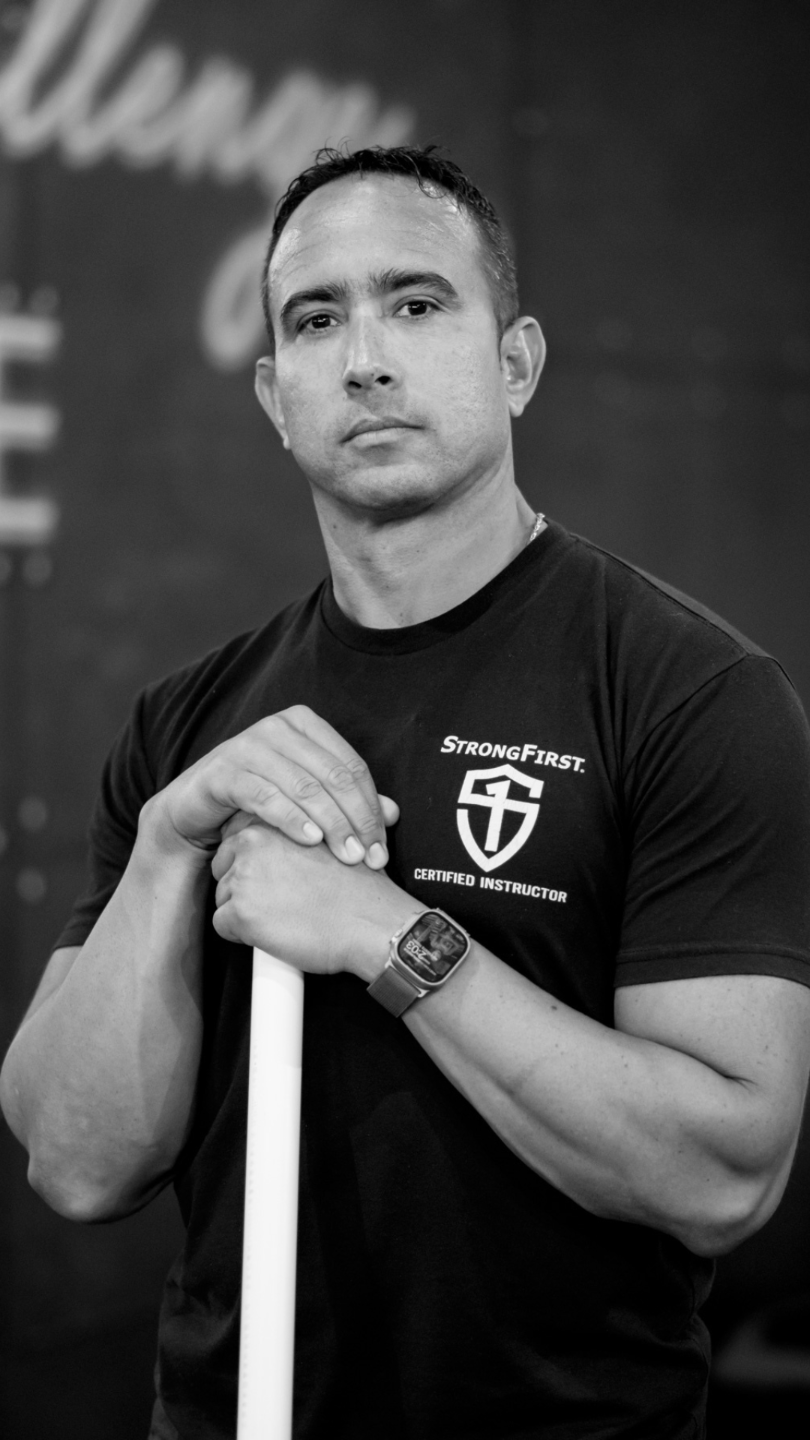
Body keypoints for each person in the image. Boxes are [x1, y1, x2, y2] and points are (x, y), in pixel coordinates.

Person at [2, 143, 810, 1440]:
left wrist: (390, 938)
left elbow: (722, 1176)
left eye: (417, 303)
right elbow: (76, 1162)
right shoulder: (187, 730)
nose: (364, 359)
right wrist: (166, 849)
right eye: (315, 320)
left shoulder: (688, 695)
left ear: (516, 362)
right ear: (274, 394)